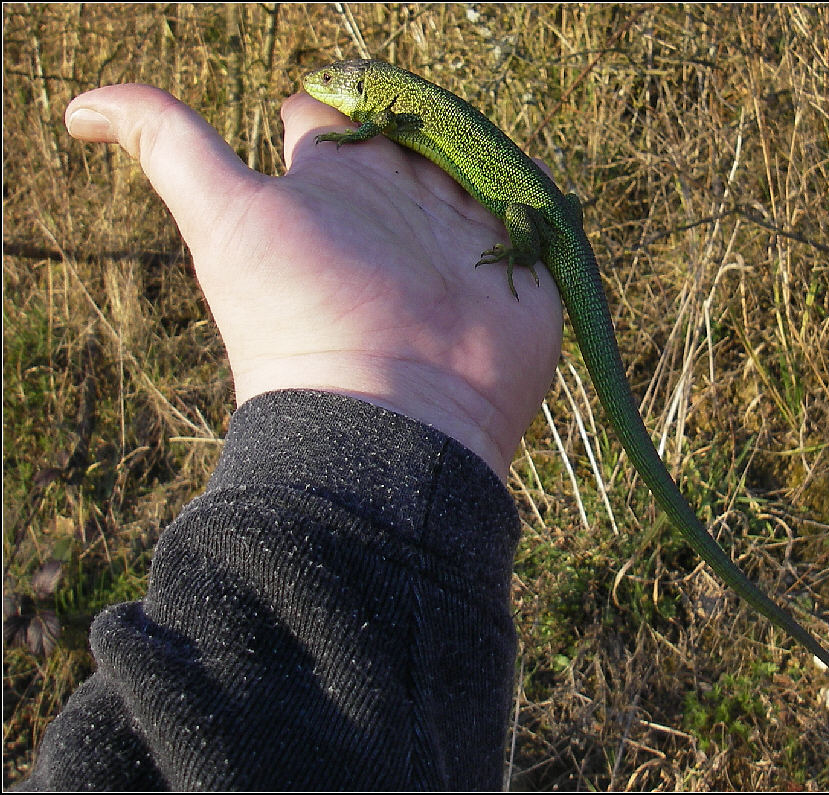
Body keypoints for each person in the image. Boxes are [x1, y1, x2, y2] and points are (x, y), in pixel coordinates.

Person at [17, 84, 564, 790]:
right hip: (534, 236)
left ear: (362, 89)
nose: (325, 88)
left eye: (338, 82)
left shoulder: (385, 105)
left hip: (539, 226)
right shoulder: (393, 105)